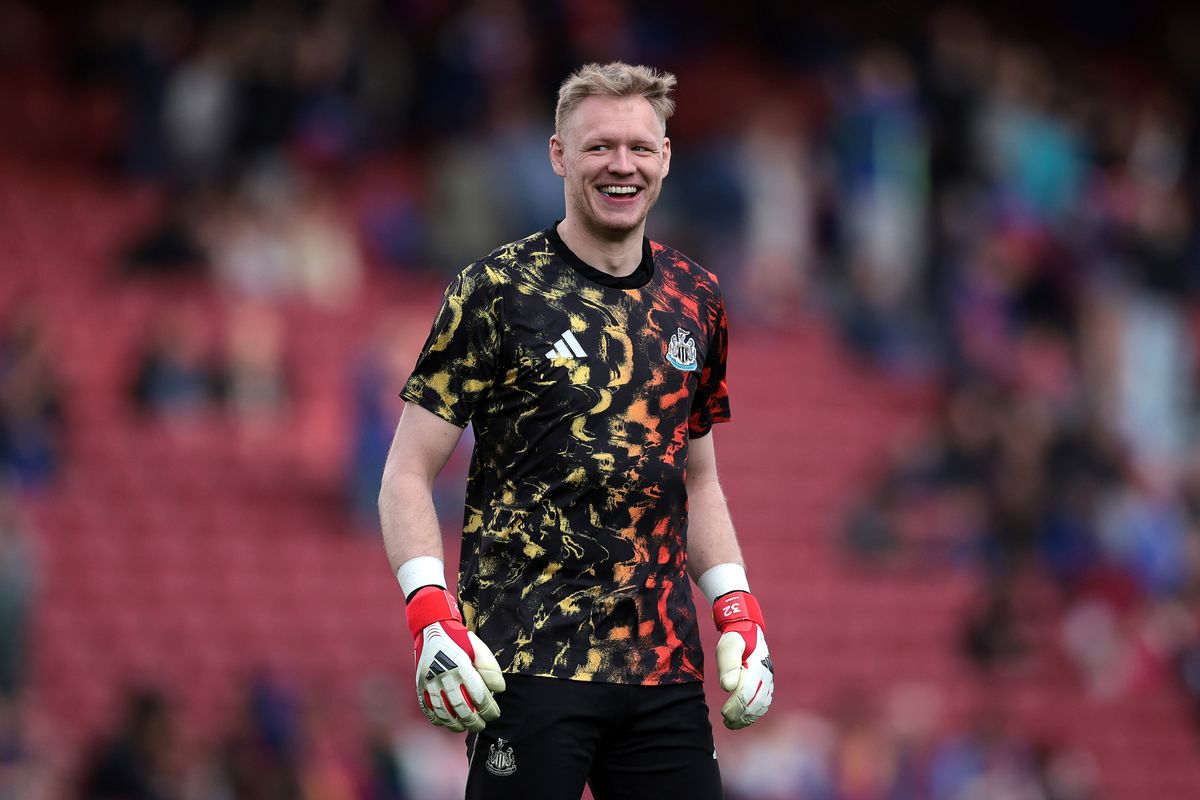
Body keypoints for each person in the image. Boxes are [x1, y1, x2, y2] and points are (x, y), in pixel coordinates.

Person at [378, 62, 774, 800]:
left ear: (665, 158)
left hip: (663, 667)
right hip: (524, 663)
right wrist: (432, 617)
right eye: (598, 147)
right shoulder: (494, 290)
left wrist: (736, 609)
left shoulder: (697, 298)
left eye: (639, 147)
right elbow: (405, 472)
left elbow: (697, 478)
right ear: (559, 155)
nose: (621, 165)